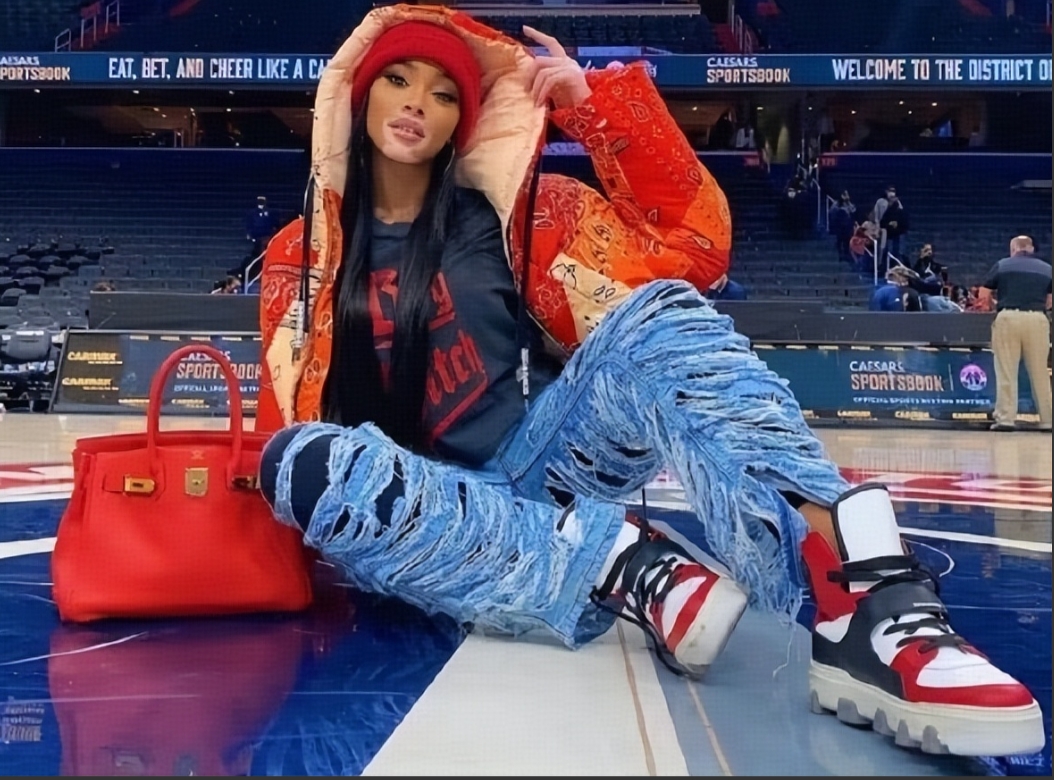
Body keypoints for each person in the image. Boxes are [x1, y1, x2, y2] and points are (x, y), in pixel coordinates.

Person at [254, 4, 1043, 760]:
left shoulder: (525, 213)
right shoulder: (301, 253)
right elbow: (288, 414)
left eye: (444, 92)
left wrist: (593, 107)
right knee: (296, 459)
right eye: (397, 80)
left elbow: (695, 246)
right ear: (355, 96)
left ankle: (861, 593)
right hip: (426, 510)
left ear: (465, 118)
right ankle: (624, 564)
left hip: (548, 459)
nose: (416, 104)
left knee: (657, 312)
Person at [977, 235, 1052, 433]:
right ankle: (1048, 420)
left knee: (1007, 371)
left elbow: (984, 293)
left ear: (1014, 249)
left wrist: (993, 305)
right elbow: (1050, 301)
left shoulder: (1003, 265)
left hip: (1008, 317)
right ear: (1031, 249)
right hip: (1037, 319)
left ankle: (1006, 419)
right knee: (1040, 373)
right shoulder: (1047, 269)